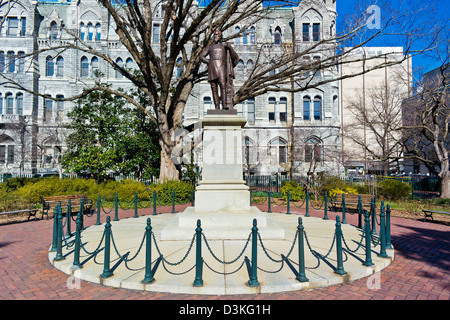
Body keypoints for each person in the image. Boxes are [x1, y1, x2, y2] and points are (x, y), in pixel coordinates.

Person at [200, 30, 239, 110]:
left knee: (223, 86)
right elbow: (201, 56)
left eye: (217, 35)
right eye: (214, 35)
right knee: (214, 89)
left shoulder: (224, 46)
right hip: (212, 69)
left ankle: (224, 105)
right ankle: (217, 106)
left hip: (222, 69)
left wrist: (230, 48)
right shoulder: (210, 47)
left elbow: (235, 57)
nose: (215, 36)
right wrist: (209, 62)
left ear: (221, 36)